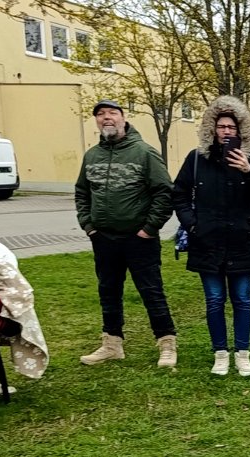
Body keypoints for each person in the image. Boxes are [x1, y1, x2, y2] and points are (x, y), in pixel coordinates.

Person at [171, 96, 250, 376]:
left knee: (241, 299)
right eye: (221, 126)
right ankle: (220, 353)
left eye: (232, 127)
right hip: (208, 243)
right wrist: (193, 225)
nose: (227, 131)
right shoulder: (196, 159)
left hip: (241, 241)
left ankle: (242, 353)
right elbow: (178, 194)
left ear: (241, 132)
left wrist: (249, 172)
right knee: (214, 300)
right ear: (212, 130)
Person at [75, 99, 178, 368]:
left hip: (139, 239)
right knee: (108, 291)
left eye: (112, 113)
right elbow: (82, 193)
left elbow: (164, 193)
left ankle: (167, 344)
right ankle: (112, 345)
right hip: (104, 238)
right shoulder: (92, 156)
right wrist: (89, 226)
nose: (106, 118)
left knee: (151, 291)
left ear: (123, 118)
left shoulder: (144, 152)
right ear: (96, 121)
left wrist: (149, 229)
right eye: (100, 114)